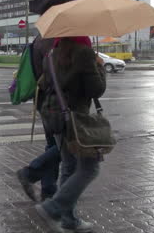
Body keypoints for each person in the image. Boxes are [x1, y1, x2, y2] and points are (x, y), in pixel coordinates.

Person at [34, 37, 106, 233]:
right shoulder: (84, 53)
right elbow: (96, 89)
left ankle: (69, 219)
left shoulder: (50, 55)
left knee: (69, 166)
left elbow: (45, 83)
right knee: (90, 169)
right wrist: (100, 67)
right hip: (77, 120)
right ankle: (52, 208)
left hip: (56, 118)